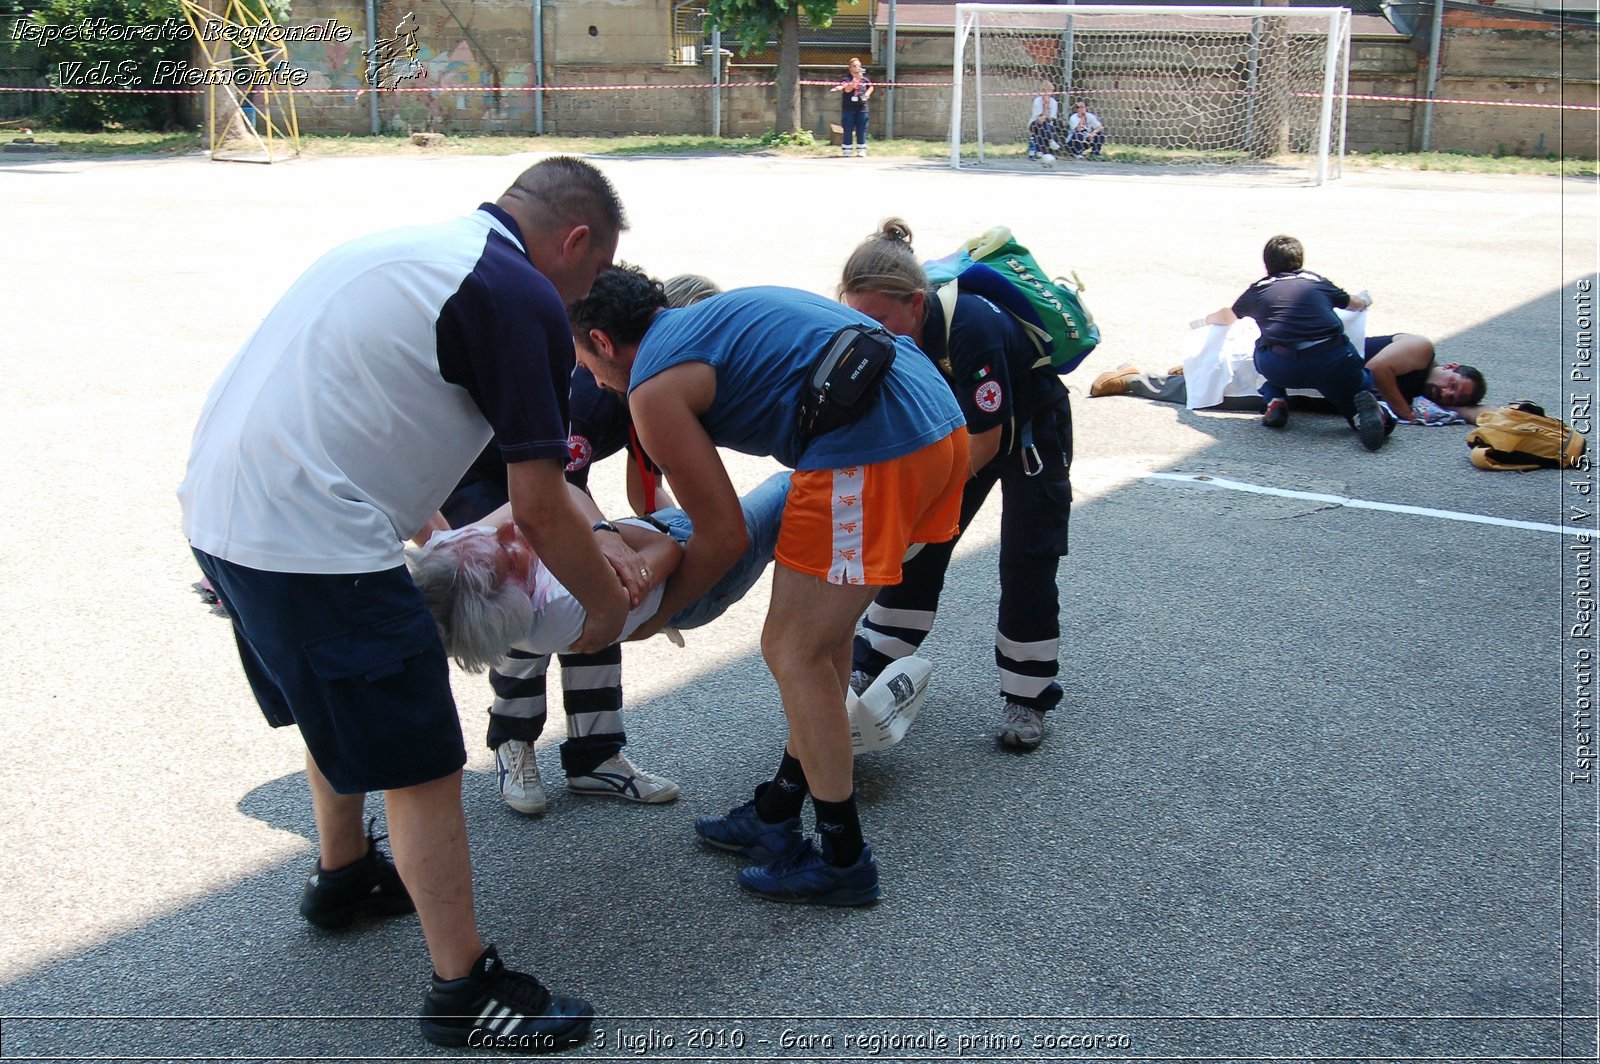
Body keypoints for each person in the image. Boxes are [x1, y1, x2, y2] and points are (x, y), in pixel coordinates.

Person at [179, 156, 633, 1053]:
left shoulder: (414, 247)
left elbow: (360, 391)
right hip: (310, 537)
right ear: (574, 240)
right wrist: (602, 611)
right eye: (589, 277)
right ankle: (465, 990)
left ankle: (346, 877)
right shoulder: (518, 292)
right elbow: (542, 503)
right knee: (422, 757)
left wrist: (413, 501)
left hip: (222, 510)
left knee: (339, 702)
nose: (583, 302)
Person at [568, 267, 968, 907]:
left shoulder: (651, 390)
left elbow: (721, 535)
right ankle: (778, 808)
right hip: (938, 426)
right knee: (823, 641)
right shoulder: (701, 321)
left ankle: (841, 857)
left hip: (873, 449)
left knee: (793, 650)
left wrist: (655, 615)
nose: (590, 379)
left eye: (586, 362)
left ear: (602, 339)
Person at [445, 274, 721, 818]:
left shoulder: (646, 390)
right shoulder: (591, 384)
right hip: (486, 487)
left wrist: (661, 571)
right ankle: (513, 741)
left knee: (605, 587)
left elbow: (648, 489)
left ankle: (595, 755)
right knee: (532, 596)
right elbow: (558, 489)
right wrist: (609, 541)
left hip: (555, 487)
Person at [837, 219, 1073, 750]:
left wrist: (923, 497)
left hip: (1028, 434)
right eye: (856, 317)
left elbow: (986, 441)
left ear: (917, 304)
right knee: (919, 550)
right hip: (959, 432)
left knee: (1027, 559)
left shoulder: (971, 327)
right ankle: (873, 661)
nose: (867, 331)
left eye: (879, 318)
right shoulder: (877, 331)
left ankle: (1027, 697)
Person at [411, 472, 791, 668]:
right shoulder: (562, 602)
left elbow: (557, 493)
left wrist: (599, 532)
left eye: (490, 536)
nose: (510, 531)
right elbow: (666, 549)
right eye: (511, 555)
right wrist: (600, 535)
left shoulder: (458, 560)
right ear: (512, 603)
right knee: (790, 490)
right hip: (698, 578)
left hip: (653, 539)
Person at [1201, 234, 1389, 450]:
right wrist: (1365, 299)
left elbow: (1227, 316)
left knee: (1262, 345)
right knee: (1352, 388)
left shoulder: (1259, 289)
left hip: (1282, 367)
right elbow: (1353, 304)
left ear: (1267, 264)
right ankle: (1364, 414)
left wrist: (1204, 321)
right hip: (1333, 361)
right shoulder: (1315, 281)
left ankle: (1275, 400)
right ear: (1300, 260)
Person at [1090, 334, 1489, 424]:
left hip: (1312, 394)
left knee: (1227, 398)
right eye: (1454, 386)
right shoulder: (1421, 350)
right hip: (1308, 365)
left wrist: (1471, 411)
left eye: (1454, 398)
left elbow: (1466, 415)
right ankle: (1134, 379)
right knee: (1220, 387)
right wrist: (1405, 413)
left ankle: (1183, 369)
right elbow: (1377, 371)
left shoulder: (1425, 394)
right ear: (1451, 367)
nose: (1447, 394)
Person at [831, 57, 874, 158]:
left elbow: (871, 86)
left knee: (861, 128)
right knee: (848, 128)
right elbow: (847, 90)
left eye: (859, 66)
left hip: (862, 107)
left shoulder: (864, 79)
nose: (857, 68)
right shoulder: (847, 79)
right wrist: (855, 81)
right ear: (850, 68)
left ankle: (861, 149)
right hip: (849, 108)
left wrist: (867, 94)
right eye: (854, 66)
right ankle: (847, 149)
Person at [1028, 79, 1060, 162]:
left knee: (1044, 126)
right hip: (1034, 123)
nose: (1048, 93)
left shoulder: (1054, 102)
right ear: (1042, 91)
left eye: (1050, 91)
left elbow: (1052, 117)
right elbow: (1039, 119)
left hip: (1048, 124)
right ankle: (1051, 140)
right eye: (1046, 91)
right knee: (1041, 124)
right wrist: (1045, 108)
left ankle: (1040, 151)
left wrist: (1046, 115)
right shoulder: (1037, 101)